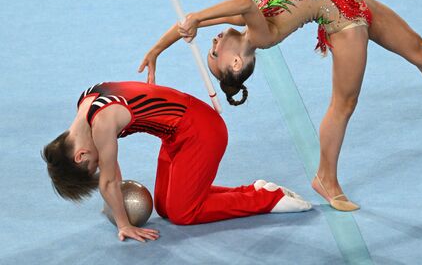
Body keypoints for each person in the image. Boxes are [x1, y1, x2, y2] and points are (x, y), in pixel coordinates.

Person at [139, 0, 422, 212]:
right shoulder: (258, 33)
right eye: (214, 50)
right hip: (343, 22)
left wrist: (159, 48)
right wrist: (197, 19)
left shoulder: (240, 23)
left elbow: (195, 20)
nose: (214, 38)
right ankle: (326, 178)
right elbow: (240, 0)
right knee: (344, 103)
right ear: (236, 63)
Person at [42, 81, 311, 242]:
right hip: (176, 135)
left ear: (80, 156)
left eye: (93, 167)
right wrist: (113, 205)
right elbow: (112, 175)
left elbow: (110, 180)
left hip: (201, 132)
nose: (99, 166)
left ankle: (268, 199)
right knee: (165, 206)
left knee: (184, 213)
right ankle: (254, 189)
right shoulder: (86, 103)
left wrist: (124, 224)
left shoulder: (101, 124)